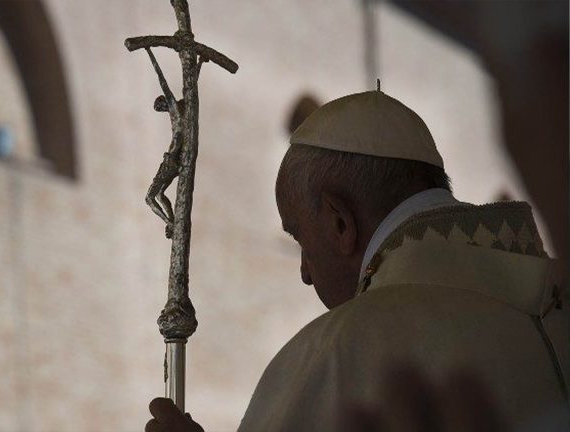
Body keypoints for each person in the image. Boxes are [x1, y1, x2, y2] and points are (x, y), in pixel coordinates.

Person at [145, 90, 569, 432]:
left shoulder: (341, 351)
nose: (305, 272)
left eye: (300, 238)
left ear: (340, 222)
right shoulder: (555, 300)